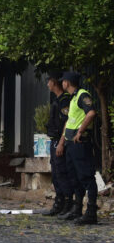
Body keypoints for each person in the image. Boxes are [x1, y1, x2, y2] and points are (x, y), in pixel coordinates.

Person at [55, 71, 98, 224]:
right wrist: (62, 141)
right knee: (75, 178)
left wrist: (80, 131)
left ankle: (91, 212)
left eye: (63, 81)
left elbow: (91, 113)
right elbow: (69, 122)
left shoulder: (82, 95)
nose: (62, 83)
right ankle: (77, 209)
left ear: (67, 82)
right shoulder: (73, 98)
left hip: (80, 143)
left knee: (86, 177)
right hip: (70, 144)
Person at [41, 73, 75, 216]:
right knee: (55, 173)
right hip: (54, 139)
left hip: (61, 141)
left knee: (61, 172)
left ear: (52, 82)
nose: (47, 85)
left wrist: (61, 142)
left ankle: (68, 203)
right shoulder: (58, 100)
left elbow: (66, 123)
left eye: (48, 82)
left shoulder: (65, 100)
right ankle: (59, 202)